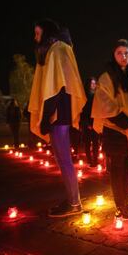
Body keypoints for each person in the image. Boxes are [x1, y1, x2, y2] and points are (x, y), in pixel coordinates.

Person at [29, 19, 86, 217]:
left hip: (58, 113)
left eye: (37, 33)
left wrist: (45, 118)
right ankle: (72, 199)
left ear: (46, 33)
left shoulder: (57, 50)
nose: (35, 37)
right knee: (62, 159)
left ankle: (74, 203)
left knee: (64, 159)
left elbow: (56, 88)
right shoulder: (58, 49)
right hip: (59, 112)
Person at [92, 39, 128, 219]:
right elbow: (105, 104)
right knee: (117, 168)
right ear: (113, 55)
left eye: (126, 53)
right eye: (119, 53)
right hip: (115, 129)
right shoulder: (106, 77)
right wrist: (127, 124)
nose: (123, 57)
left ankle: (126, 201)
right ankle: (120, 205)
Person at [80, 77, 100, 167]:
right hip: (87, 121)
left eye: (95, 83)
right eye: (92, 83)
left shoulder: (97, 96)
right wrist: (87, 123)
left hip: (96, 122)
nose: (93, 85)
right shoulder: (85, 96)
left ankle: (95, 160)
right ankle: (89, 160)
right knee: (87, 142)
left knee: (96, 142)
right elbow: (84, 110)